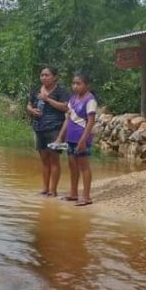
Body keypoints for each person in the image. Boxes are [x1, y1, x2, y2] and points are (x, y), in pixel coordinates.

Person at [55, 72, 97, 207]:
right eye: (73, 83)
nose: (75, 86)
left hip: (82, 137)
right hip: (71, 138)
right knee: (72, 166)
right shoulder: (72, 99)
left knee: (83, 166)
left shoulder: (90, 100)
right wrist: (60, 137)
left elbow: (90, 122)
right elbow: (68, 119)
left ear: (86, 85)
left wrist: (83, 140)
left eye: (78, 84)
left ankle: (86, 196)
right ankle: (73, 193)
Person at [27, 67, 70, 197]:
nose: (44, 77)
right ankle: (45, 188)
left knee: (54, 159)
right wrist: (31, 110)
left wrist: (47, 99)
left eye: (47, 75)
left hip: (55, 129)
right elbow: (28, 104)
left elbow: (65, 107)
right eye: (42, 75)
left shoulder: (61, 91)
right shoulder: (36, 89)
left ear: (55, 77)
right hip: (39, 128)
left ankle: (53, 190)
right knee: (44, 160)